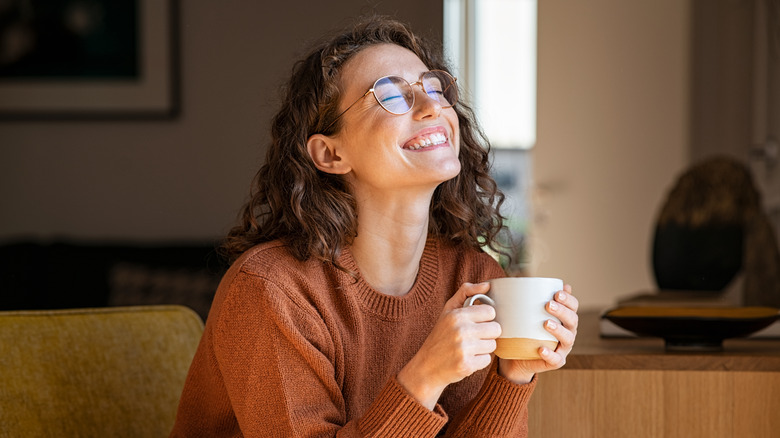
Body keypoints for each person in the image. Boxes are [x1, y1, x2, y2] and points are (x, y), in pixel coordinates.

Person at [170, 16, 579, 437]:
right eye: (390, 95)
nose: (432, 106)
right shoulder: (273, 290)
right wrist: (424, 376)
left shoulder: (474, 278)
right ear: (330, 154)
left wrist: (513, 378)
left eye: (434, 87)